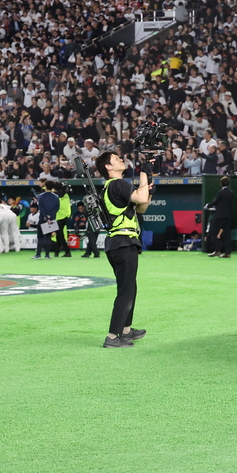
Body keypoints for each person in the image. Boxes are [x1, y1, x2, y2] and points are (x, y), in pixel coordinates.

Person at [97, 149, 151, 348]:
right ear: (108, 167)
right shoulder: (118, 183)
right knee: (126, 291)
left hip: (118, 243)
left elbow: (142, 206)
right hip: (123, 242)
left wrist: (147, 188)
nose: (121, 158)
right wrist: (144, 172)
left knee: (129, 288)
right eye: (116, 158)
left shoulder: (111, 186)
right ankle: (112, 336)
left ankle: (126, 331)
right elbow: (142, 199)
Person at [206, 176, 234, 258]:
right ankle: (227, 253)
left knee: (213, 232)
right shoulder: (231, 193)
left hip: (219, 215)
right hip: (228, 215)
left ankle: (217, 250)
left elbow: (215, 201)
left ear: (221, 183)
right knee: (227, 234)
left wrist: (207, 205)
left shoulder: (220, 193)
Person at [33, 181, 59, 260]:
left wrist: (46, 217)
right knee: (48, 238)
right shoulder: (56, 197)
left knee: (40, 237)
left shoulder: (41, 196)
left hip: (42, 219)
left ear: (45, 186)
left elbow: (41, 207)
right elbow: (56, 208)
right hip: (51, 220)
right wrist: (50, 217)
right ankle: (47, 255)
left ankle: (38, 255)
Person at [55, 182, 73, 257]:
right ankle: (57, 252)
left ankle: (67, 252)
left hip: (60, 217)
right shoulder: (66, 195)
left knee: (60, 235)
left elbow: (59, 193)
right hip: (64, 217)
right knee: (58, 235)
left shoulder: (59, 196)